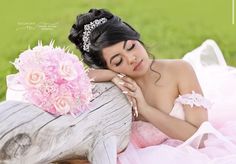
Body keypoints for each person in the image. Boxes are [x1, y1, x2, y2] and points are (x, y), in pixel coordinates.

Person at [68, 8, 236, 164]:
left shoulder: (180, 70)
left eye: (131, 46)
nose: (131, 58)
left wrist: (145, 109)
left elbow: (200, 138)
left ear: (136, 38)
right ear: (106, 67)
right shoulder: (116, 87)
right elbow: (73, 76)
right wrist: (112, 76)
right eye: (118, 61)